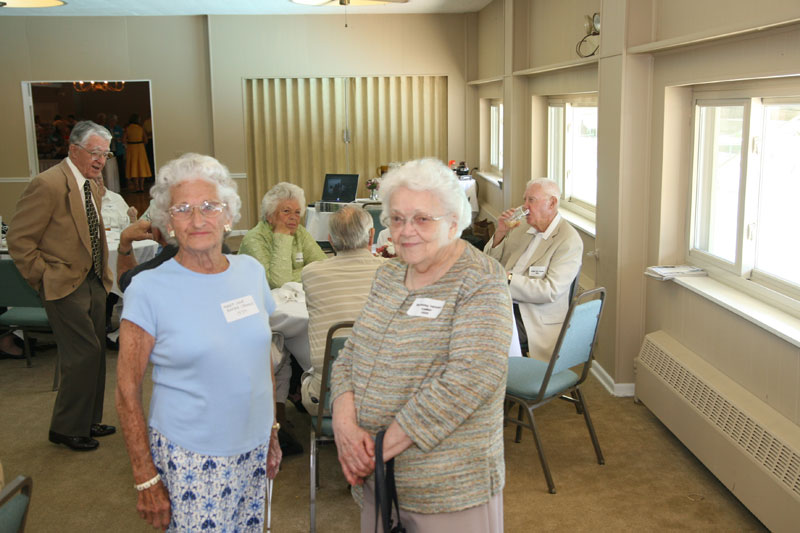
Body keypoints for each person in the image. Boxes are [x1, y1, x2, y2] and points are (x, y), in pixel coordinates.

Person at [330, 158, 512, 532]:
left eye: (422, 219)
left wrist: (377, 449)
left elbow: (470, 379)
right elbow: (350, 354)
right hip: (378, 480)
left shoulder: (481, 281)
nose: (406, 231)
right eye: (396, 219)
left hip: (448, 489)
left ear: (453, 222)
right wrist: (345, 425)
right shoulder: (389, 276)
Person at [116, 153, 281, 531]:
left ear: (228, 215)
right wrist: (145, 475)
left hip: (253, 448)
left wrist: (271, 432)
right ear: (168, 222)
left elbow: (261, 361)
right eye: (183, 209)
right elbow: (127, 390)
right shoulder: (148, 289)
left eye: (209, 206)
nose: (197, 219)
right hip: (190, 457)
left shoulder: (251, 272)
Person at [7, 120, 116, 451]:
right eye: (95, 152)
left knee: (96, 355)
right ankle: (66, 428)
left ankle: (87, 420)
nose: (100, 160)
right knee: (83, 353)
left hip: (94, 279)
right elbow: (19, 239)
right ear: (74, 149)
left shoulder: (90, 183)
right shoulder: (48, 184)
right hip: (62, 283)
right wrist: (43, 277)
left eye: (105, 153)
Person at [484, 177, 583, 361]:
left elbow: (549, 291)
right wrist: (500, 234)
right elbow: (491, 264)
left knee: (482, 334)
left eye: (532, 200)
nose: (525, 206)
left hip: (533, 317)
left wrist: (508, 278)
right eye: (525, 199)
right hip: (504, 302)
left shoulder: (568, 241)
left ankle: (493, 381)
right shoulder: (522, 229)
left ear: (552, 203)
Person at [300, 206, 383, 415]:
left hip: (328, 400)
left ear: (330, 239)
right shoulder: (392, 271)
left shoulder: (311, 273)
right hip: (384, 399)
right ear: (372, 235)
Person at [239, 182, 327, 289]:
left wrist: (290, 275)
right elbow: (279, 283)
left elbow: (324, 267)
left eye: (297, 212)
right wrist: (282, 237)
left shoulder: (300, 232)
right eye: (286, 211)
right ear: (269, 215)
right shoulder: (254, 239)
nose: (293, 217)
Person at [123, 113, 152, 192]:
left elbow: (124, 140)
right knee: (141, 166)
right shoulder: (140, 128)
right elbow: (146, 140)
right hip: (140, 148)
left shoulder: (128, 128)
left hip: (132, 148)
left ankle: (136, 187)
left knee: (134, 166)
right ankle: (142, 186)